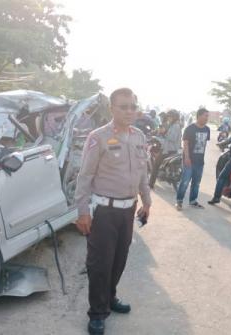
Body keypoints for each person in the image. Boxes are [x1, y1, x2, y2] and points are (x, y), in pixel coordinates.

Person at [74, 88, 152, 335]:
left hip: (128, 211)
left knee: (119, 260)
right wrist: (83, 211)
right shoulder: (98, 137)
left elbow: (142, 173)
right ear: (112, 109)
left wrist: (146, 201)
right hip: (104, 212)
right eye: (124, 106)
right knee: (100, 264)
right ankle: (97, 313)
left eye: (133, 106)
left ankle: (109, 298)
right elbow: (84, 176)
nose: (130, 111)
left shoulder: (139, 137)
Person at [175, 108, 210, 210]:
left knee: (196, 183)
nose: (207, 118)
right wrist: (187, 158)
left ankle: (193, 201)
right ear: (199, 116)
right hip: (189, 160)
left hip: (200, 162)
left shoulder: (207, 129)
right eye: (205, 116)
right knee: (185, 182)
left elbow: (204, 145)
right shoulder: (190, 128)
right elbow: (185, 143)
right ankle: (179, 201)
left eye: (208, 116)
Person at [149, 110, 181, 189]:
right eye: (168, 116)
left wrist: (163, 133)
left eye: (170, 116)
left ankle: (150, 184)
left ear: (174, 117)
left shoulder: (175, 126)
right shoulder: (172, 125)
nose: (168, 118)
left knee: (156, 165)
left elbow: (171, 138)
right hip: (171, 149)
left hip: (168, 150)